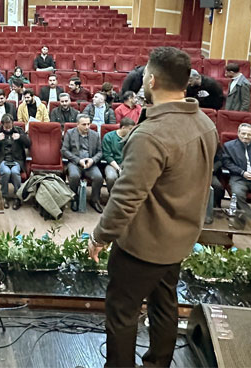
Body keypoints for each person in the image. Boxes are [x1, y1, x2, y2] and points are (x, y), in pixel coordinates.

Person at [88, 47, 217, 368]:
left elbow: (126, 197)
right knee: (164, 306)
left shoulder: (150, 135)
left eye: (145, 73)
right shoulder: (205, 123)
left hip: (143, 247)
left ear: (152, 80)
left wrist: (100, 236)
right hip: (178, 241)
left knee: (122, 313)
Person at [63, 115, 104, 212]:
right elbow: (64, 150)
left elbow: (100, 152)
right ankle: (74, 198)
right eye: (84, 124)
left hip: (90, 163)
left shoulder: (95, 135)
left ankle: (95, 200)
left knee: (98, 177)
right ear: (77, 124)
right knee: (74, 176)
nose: (87, 127)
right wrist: (78, 160)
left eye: (88, 124)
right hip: (75, 163)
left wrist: (92, 160)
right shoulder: (70, 133)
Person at [0, 114, 29, 210]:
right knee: (6, 172)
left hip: (16, 160)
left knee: (15, 172)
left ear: (13, 124)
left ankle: (17, 197)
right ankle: (4, 196)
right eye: (6, 127)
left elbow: (29, 143)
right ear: (2, 124)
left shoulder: (19, 131)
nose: (8, 129)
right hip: (2, 160)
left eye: (10, 127)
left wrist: (20, 137)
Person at [102, 118, 135, 198]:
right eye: (130, 129)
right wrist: (118, 169)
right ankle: (112, 196)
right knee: (111, 177)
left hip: (127, 163)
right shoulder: (109, 136)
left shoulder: (132, 137)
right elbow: (107, 156)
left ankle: (127, 197)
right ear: (123, 127)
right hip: (112, 164)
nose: (132, 131)